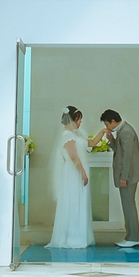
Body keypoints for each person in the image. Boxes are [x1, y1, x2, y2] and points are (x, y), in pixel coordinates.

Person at [48, 105, 94, 249]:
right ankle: (72, 238)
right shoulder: (67, 135)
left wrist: (103, 132)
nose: (80, 123)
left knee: (80, 202)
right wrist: (83, 173)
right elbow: (73, 156)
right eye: (79, 120)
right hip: (73, 172)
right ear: (73, 119)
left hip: (78, 170)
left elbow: (90, 143)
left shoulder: (77, 133)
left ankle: (80, 236)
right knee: (73, 202)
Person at [99, 109, 139, 247]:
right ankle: (130, 236)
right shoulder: (123, 130)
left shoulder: (126, 132)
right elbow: (121, 150)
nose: (107, 127)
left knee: (129, 206)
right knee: (127, 206)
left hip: (129, 175)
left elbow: (127, 157)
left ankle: (133, 238)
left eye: (107, 124)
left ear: (113, 121)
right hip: (128, 175)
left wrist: (124, 177)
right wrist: (111, 140)